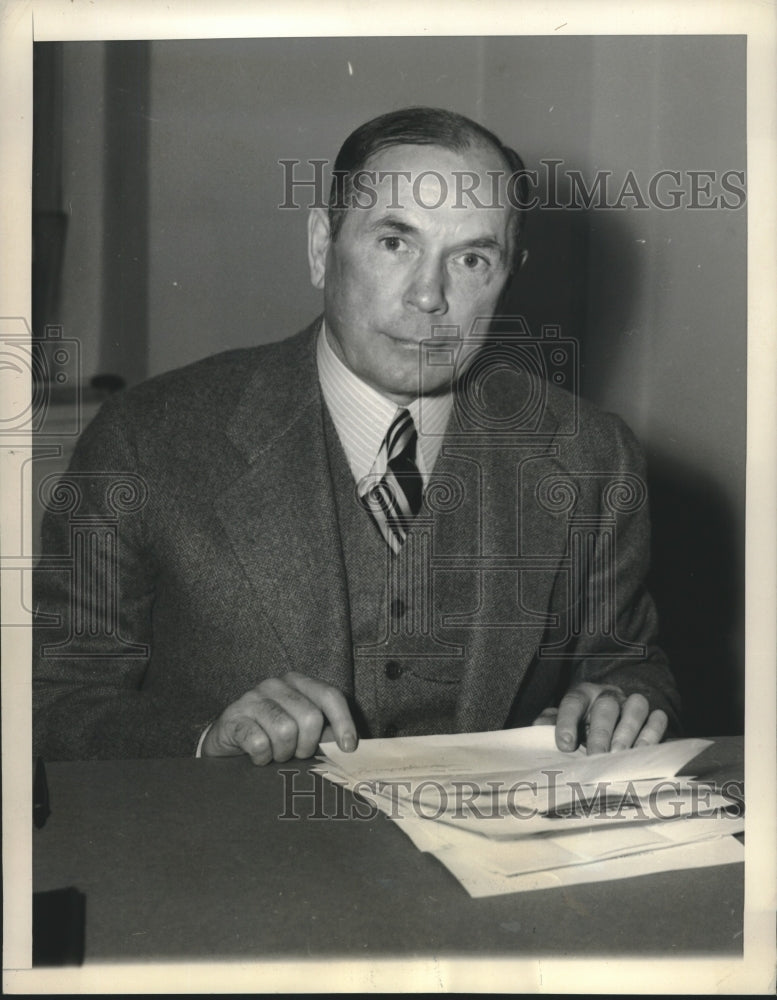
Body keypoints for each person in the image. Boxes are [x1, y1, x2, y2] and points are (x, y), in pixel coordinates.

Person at [32, 107, 680, 763]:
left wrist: (619, 702)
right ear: (322, 247)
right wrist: (203, 741)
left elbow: (629, 664)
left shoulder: (591, 454)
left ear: (509, 275)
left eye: (471, 259)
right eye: (395, 243)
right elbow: (52, 700)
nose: (428, 296)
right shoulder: (144, 440)